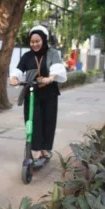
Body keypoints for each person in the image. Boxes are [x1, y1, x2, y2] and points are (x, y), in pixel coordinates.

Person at [9, 25, 67, 161]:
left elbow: (56, 68)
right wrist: (14, 78)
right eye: (32, 42)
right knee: (33, 121)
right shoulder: (27, 56)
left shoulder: (52, 53)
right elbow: (18, 69)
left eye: (38, 41)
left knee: (48, 120)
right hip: (32, 92)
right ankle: (36, 149)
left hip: (49, 93)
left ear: (44, 40)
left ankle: (45, 148)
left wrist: (51, 78)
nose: (35, 44)